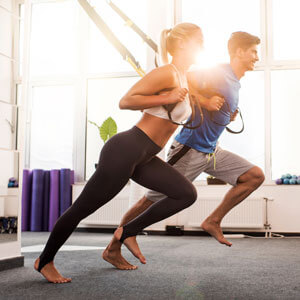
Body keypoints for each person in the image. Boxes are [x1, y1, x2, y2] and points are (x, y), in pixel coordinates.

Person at [34, 22, 204, 283]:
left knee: (185, 193)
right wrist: (164, 99)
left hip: (145, 155)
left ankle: (126, 232)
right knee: (81, 209)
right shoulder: (167, 73)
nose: (202, 47)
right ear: (182, 43)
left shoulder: (182, 78)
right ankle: (44, 260)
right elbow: (126, 101)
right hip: (126, 149)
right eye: (198, 41)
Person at [103, 31, 265, 270]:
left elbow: (211, 103)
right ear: (239, 52)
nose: (256, 57)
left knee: (254, 176)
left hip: (211, 151)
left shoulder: (234, 80)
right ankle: (113, 247)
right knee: (150, 200)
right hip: (189, 149)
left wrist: (224, 115)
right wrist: (205, 101)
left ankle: (213, 220)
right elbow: (183, 78)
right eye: (253, 52)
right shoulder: (220, 72)